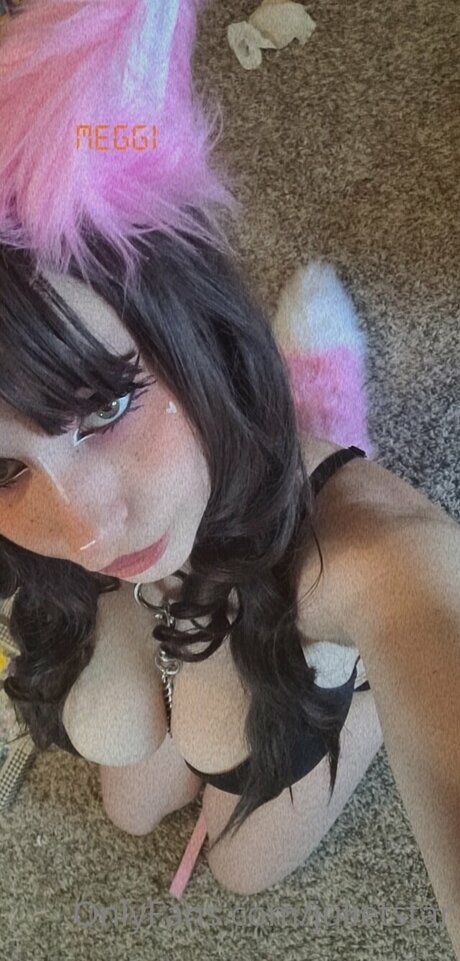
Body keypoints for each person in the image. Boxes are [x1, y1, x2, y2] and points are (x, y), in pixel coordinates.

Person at [0, 0, 458, 953]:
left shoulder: (366, 549)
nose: (86, 533)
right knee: (132, 798)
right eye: (5, 467)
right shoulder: (64, 534)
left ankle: (318, 420)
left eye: (105, 406)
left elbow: (424, 597)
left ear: (196, 328)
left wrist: (396, 641)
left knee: (245, 865)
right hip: (191, 622)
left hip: (292, 584)